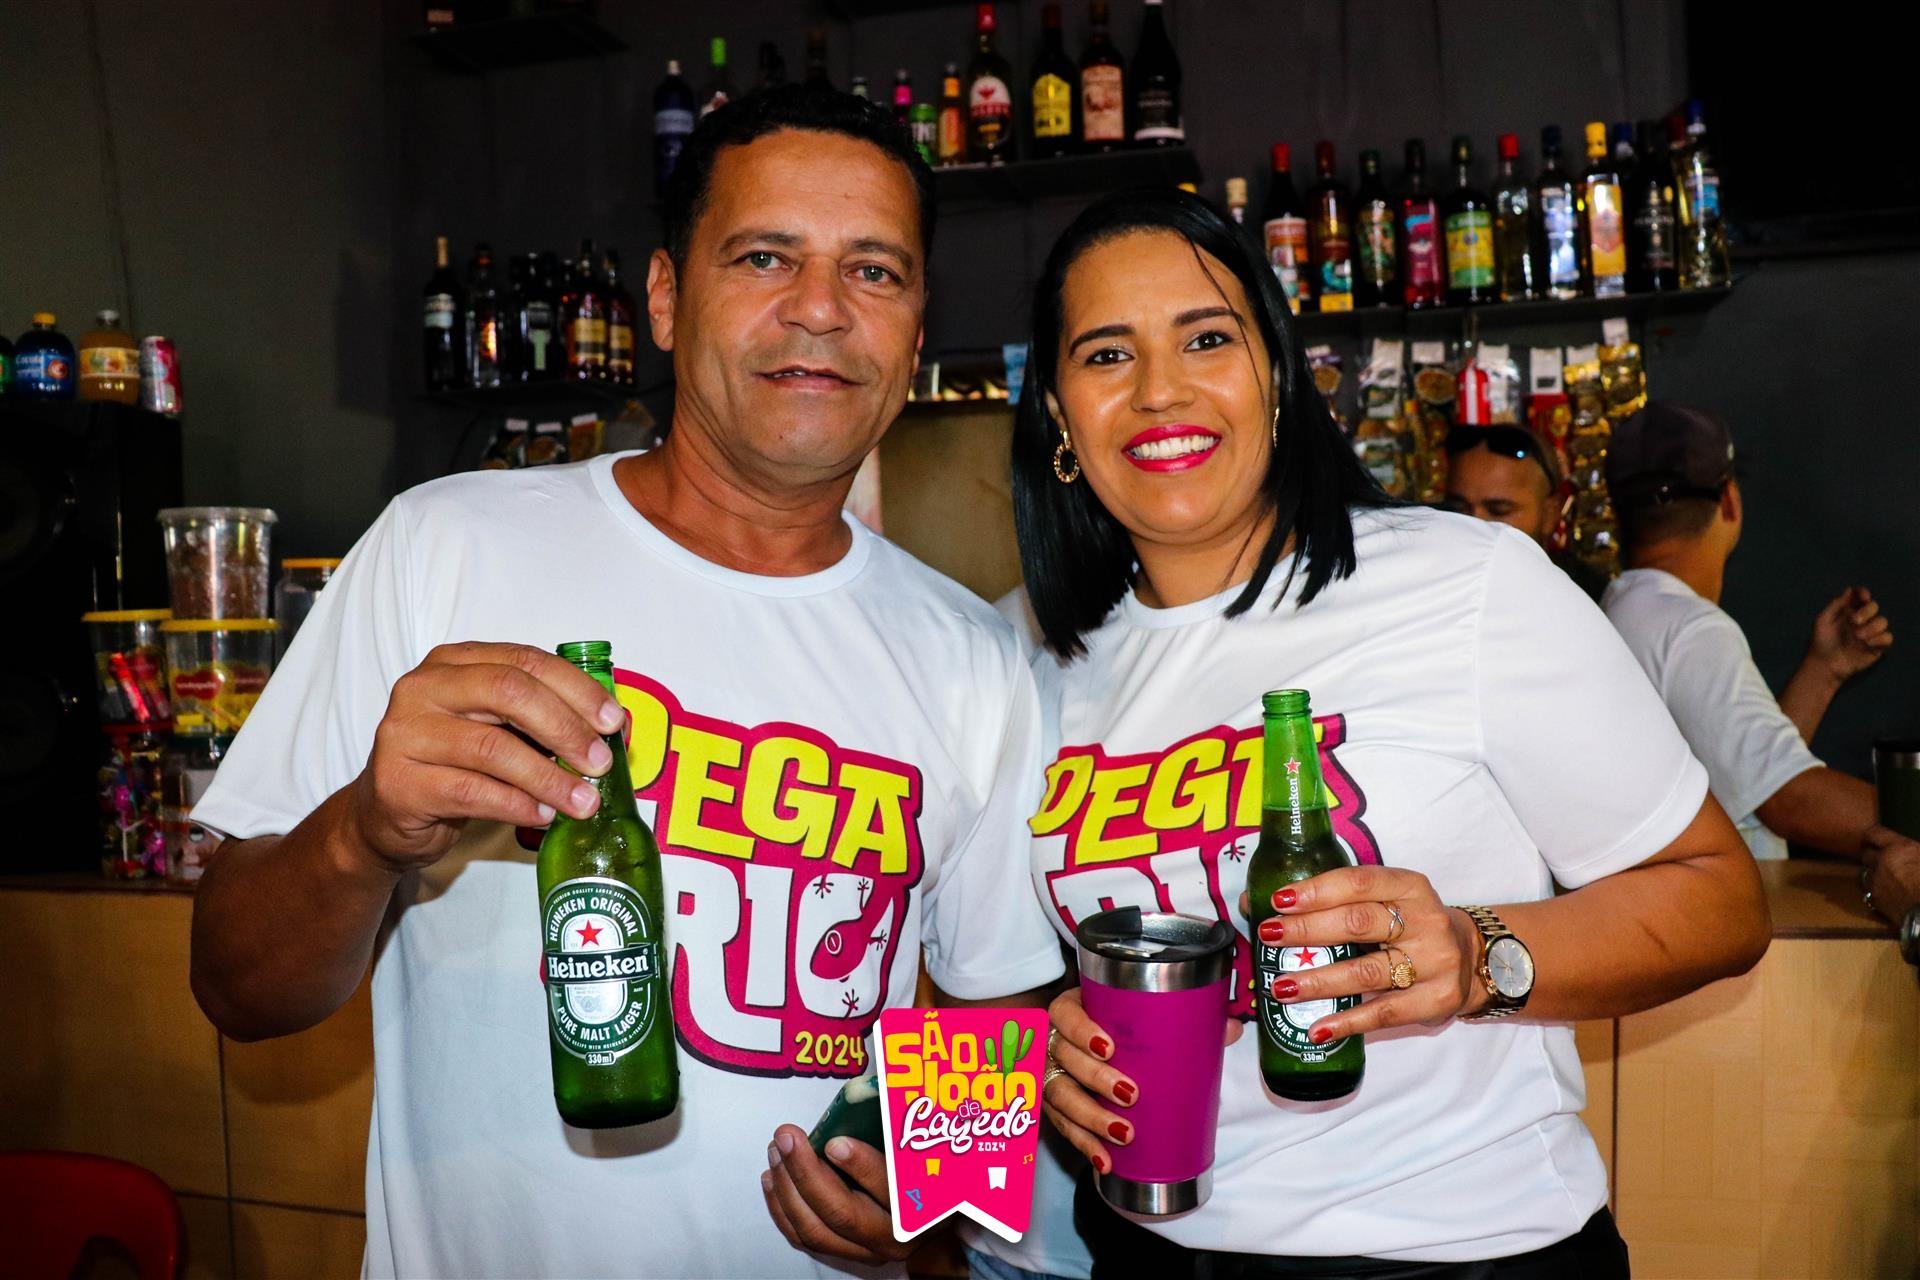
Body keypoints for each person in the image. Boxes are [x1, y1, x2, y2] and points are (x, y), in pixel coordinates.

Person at [186, 86, 1065, 1279]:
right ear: (664, 296)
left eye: (874, 271)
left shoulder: (974, 655)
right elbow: (235, 987)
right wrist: (361, 835)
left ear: (915, 336)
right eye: (765, 256)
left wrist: (930, 1212)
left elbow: (989, 1004)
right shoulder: (445, 546)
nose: (820, 308)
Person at [1002, 187, 1769, 1277]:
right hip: (1144, 1248)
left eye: (1207, 338)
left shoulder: (1466, 581)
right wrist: (1050, 1045)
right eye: (1107, 354)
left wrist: (1476, 955)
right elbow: (1002, 975)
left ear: (1276, 375)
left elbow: (1719, 898)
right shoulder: (1036, 664)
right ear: (1059, 415)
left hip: (1462, 1249)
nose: (1160, 389)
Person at [1602, 401, 1894, 861]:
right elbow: (1790, 801)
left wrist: (1824, 671)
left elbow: (1751, 777)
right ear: (1729, 500)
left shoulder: (1627, 608)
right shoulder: (1687, 630)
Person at [1441, 423, 1608, 600]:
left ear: (1550, 513)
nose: (1474, 523)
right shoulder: (1432, 586)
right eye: (1458, 509)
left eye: (1498, 511)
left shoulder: (1584, 598)